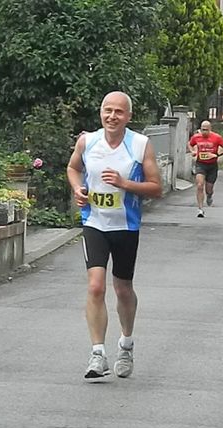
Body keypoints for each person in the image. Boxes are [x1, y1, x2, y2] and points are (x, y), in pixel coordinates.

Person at [66, 91, 162, 381]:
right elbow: (73, 168)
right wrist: (78, 190)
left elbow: (156, 187)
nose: (112, 116)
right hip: (94, 223)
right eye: (107, 110)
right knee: (96, 287)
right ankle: (97, 353)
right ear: (100, 113)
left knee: (122, 289)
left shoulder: (140, 145)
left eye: (118, 112)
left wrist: (125, 183)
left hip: (125, 227)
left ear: (128, 117)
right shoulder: (87, 141)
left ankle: (126, 344)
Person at [188, 120, 223, 218]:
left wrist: (216, 154)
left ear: (210, 129)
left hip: (212, 165)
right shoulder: (196, 137)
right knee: (199, 185)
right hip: (200, 164)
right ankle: (200, 209)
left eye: (206, 130)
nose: (204, 132)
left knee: (209, 189)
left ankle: (209, 196)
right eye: (202, 130)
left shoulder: (216, 137)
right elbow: (190, 144)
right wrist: (192, 151)